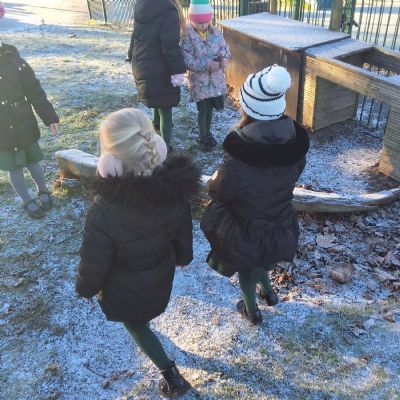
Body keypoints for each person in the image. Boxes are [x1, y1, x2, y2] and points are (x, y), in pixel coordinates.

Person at [76, 108, 200, 398]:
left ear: (110, 160)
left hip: (125, 289)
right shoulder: (174, 190)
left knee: (136, 325)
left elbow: (94, 261)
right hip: (160, 274)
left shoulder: (104, 211)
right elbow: (183, 229)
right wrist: (183, 257)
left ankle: (172, 377)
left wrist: (85, 288)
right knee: (144, 316)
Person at [200, 65, 309, 325]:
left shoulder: (238, 160)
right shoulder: (294, 146)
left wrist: (216, 178)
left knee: (247, 273)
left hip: (247, 230)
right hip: (281, 224)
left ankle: (251, 310)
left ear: (248, 109)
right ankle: (269, 293)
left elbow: (218, 190)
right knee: (263, 263)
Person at [0, 4, 59, 219]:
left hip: (23, 119)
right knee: (14, 167)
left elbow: (34, 90)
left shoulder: (13, 58)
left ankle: (43, 190)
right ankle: (26, 200)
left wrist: (49, 117)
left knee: (33, 160)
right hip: (2, 127)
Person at [126, 0, 187, 151]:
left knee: (157, 98)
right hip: (160, 66)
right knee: (165, 106)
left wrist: (131, 55)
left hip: (142, 62)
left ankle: (156, 126)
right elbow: (170, 46)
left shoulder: (142, 6)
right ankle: (165, 148)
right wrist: (177, 70)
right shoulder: (168, 12)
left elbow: (135, 35)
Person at [180, 0, 230, 151]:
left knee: (211, 109)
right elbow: (186, 60)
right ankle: (203, 136)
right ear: (191, 19)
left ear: (210, 19)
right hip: (199, 81)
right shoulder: (186, 36)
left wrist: (224, 59)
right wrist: (206, 64)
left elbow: (225, 49)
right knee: (203, 109)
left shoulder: (216, 33)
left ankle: (208, 132)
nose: (202, 26)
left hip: (215, 80)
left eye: (205, 22)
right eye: (198, 23)